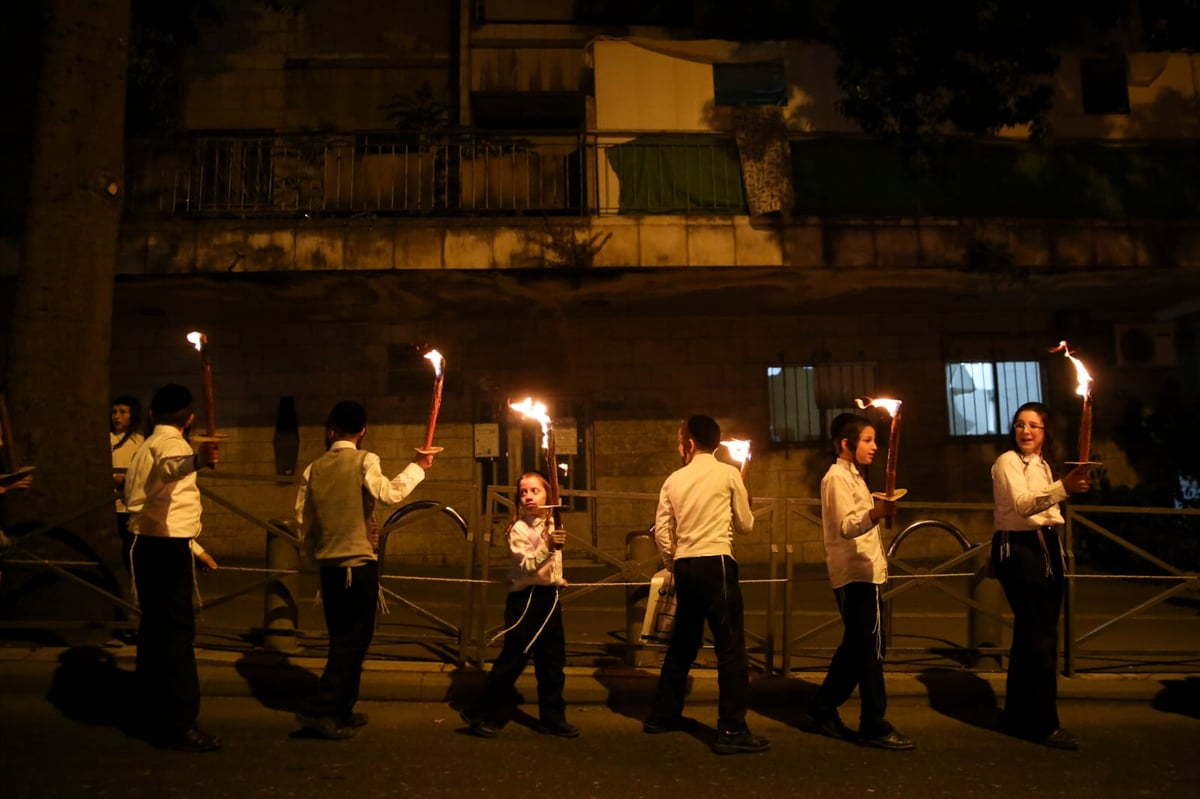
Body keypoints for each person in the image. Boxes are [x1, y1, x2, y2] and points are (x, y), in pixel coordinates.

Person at [294, 400, 435, 740]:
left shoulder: (313, 468)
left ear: (331, 430)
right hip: (357, 565)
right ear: (363, 431)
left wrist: (314, 554)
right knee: (353, 641)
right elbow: (388, 494)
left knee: (341, 639)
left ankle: (342, 708)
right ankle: (322, 709)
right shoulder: (364, 460)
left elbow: (303, 519)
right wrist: (418, 466)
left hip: (329, 566)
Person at [643, 415, 767, 755]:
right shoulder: (728, 474)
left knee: (682, 644)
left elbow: (663, 532)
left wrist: (674, 563)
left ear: (690, 442)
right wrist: (744, 502)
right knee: (730, 649)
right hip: (717, 564)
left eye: (680, 439)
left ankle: (662, 716)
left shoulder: (673, 480)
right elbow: (745, 525)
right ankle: (731, 728)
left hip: (685, 565)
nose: (679, 445)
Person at [123, 383, 221, 752]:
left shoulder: (145, 444)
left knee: (155, 634)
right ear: (190, 418)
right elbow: (171, 469)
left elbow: (155, 500)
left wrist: (194, 549)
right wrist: (197, 460)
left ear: (151, 413)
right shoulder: (173, 445)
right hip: (164, 550)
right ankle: (178, 722)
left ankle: (150, 711)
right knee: (176, 637)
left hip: (149, 543)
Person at [808, 413, 914, 750]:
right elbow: (846, 525)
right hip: (854, 574)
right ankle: (873, 723)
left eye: (874, 440)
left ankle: (823, 708)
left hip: (866, 572)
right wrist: (875, 514)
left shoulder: (853, 477)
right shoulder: (836, 478)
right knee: (870, 650)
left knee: (859, 648)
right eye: (867, 440)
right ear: (846, 444)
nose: (874, 446)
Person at [991, 401, 1090, 750]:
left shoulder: (1042, 464)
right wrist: (1064, 487)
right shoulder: (1007, 462)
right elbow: (1022, 505)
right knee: (1041, 637)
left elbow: (1049, 508)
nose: (1026, 431)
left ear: (1045, 433)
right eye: (1020, 424)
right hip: (1020, 549)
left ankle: (1018, 715)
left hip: (1046, 547)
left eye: (1033, 425)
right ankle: (1044, 723)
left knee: (1030, 634)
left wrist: (1067, 486)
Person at [461, 471, 578, 739]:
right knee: (513, 660)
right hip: (526, 601)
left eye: (534, 491)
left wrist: (557, 578)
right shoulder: (519, 529)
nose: (528, 496)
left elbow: (550, 563)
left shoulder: (551, 524)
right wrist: (548, 546)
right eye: (523, 492)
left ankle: (553, 717)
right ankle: (484, 714)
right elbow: (525, 565)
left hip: (549, 599)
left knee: (552, 662)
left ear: (548, 495)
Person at [111, 395, 145, 573]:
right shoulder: (108, 440)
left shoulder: (140, 442)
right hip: (113, 503)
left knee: (132, 544)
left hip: (132, 503)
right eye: (115, 412)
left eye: (123, 412)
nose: (117, 416)